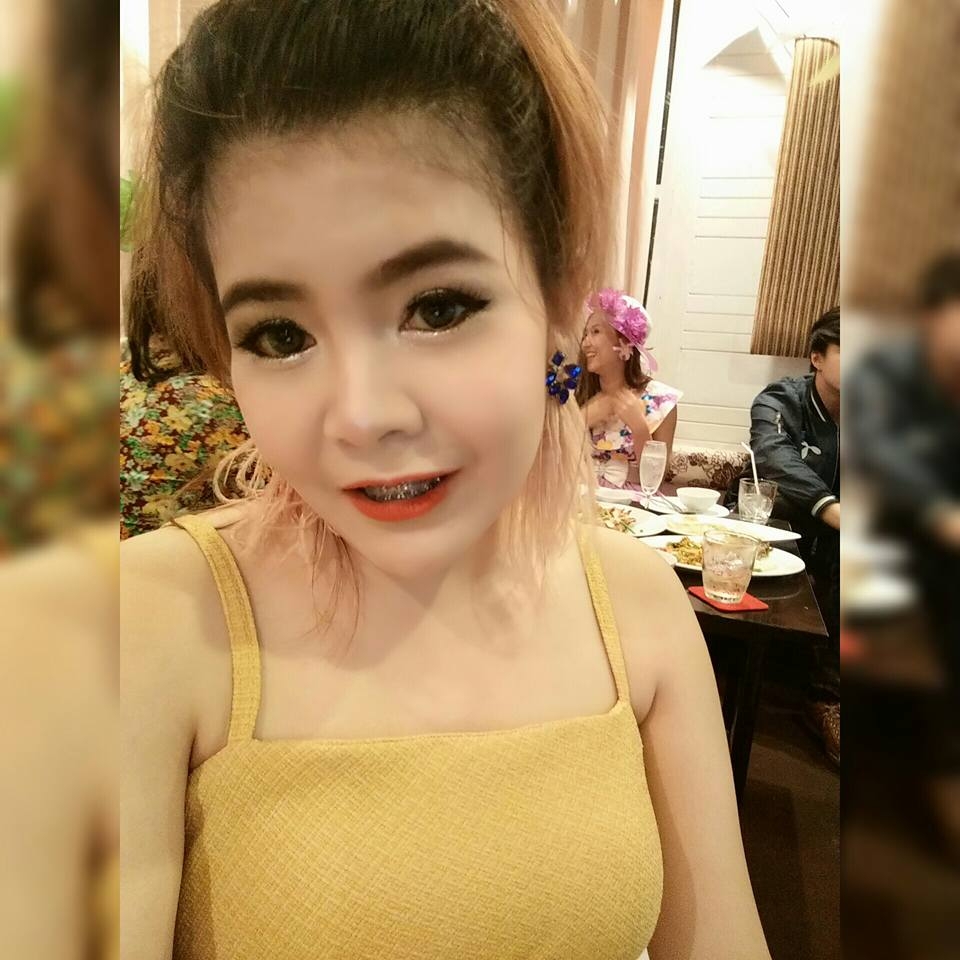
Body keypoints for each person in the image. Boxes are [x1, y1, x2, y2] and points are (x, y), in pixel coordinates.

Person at [121, 2, 771, 958]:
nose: (361, 416)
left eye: (436, 307)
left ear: (559, 301)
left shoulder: (636, 605)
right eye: (280, 335)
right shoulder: (149, 622)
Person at [847, 253, 960, 855]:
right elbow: (880, 453)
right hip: (890, 532)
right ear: (933, 316)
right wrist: (940, 513)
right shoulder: (885, 370)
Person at [728, 308, 841, 765]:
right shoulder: (781, 399)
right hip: (776, 532)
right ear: (817, 357)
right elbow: (773, 455)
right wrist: (832, 508)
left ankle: (827, 695)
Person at [576, 289, 681, 490]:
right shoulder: (578, 395)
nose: (585, 343)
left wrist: (639, 427)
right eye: (585, 334)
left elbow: (655, 479)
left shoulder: (661, 401)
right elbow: (550, 463)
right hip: (582, 499)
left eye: (595, 332)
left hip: (634, 505)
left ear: (624, 342)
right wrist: (581, 420)